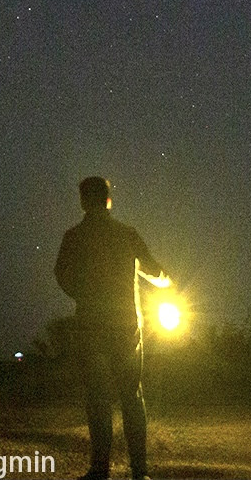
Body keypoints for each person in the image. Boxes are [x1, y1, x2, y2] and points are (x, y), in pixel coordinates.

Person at [54, 175, 168, 480]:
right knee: (132, 395)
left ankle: (100, 468)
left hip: (90, 324)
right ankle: (139, 471)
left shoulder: (73, 237)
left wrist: (82, 293)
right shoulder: (126, 234)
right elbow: (154, 270)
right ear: (108, 200)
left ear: (82, 202)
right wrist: (167, 280)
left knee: (97, 397)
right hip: (126, 324)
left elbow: (60, 274)